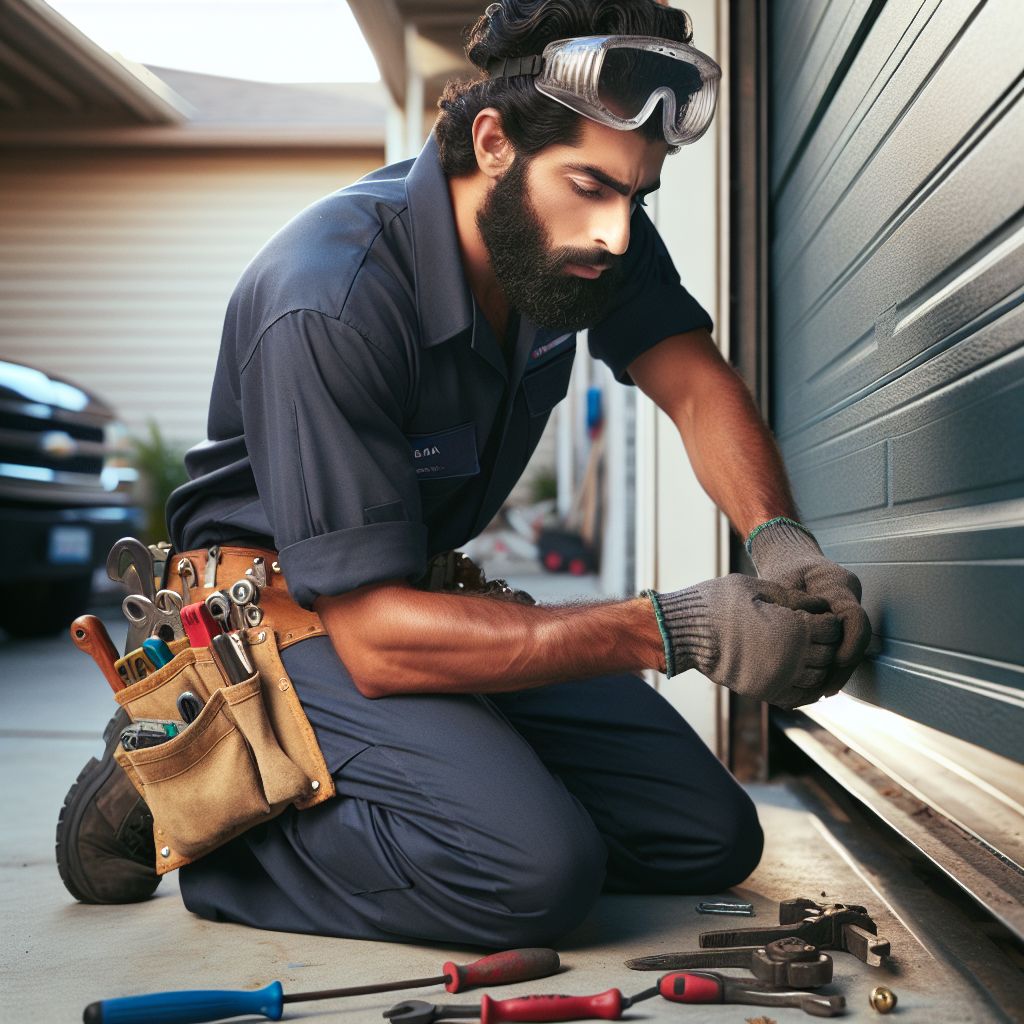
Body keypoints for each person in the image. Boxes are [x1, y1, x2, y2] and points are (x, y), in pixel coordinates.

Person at [56, 0, 871, 946]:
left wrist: (781, 544)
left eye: (637, 198)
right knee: (537, 879)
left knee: (707, 834)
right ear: (492, 142)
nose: (616, 232)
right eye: (592, 187)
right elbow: (371, 639)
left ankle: (453, 784)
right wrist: (672, 628)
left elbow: (693, 383)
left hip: (409, 597)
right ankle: (212, 804)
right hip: (272, 624)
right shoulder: (332, 298)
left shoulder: (575, 238)